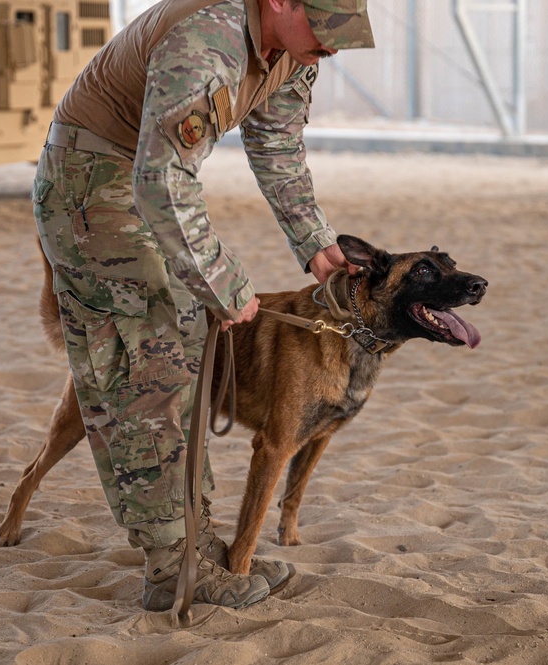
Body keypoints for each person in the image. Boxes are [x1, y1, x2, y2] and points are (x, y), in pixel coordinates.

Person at [31, 0, 374, 611]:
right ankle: (171, 570)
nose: (334, 45)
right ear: (279, 3)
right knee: (154, 368)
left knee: (189, 359)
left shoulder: (296, 50)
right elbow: (161, 180)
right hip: (92, 184)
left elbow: (278, 145)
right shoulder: (208, 36)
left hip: (140, 183)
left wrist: (315, 241)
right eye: (325, 27)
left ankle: (193, 542)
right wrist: (222, 279)